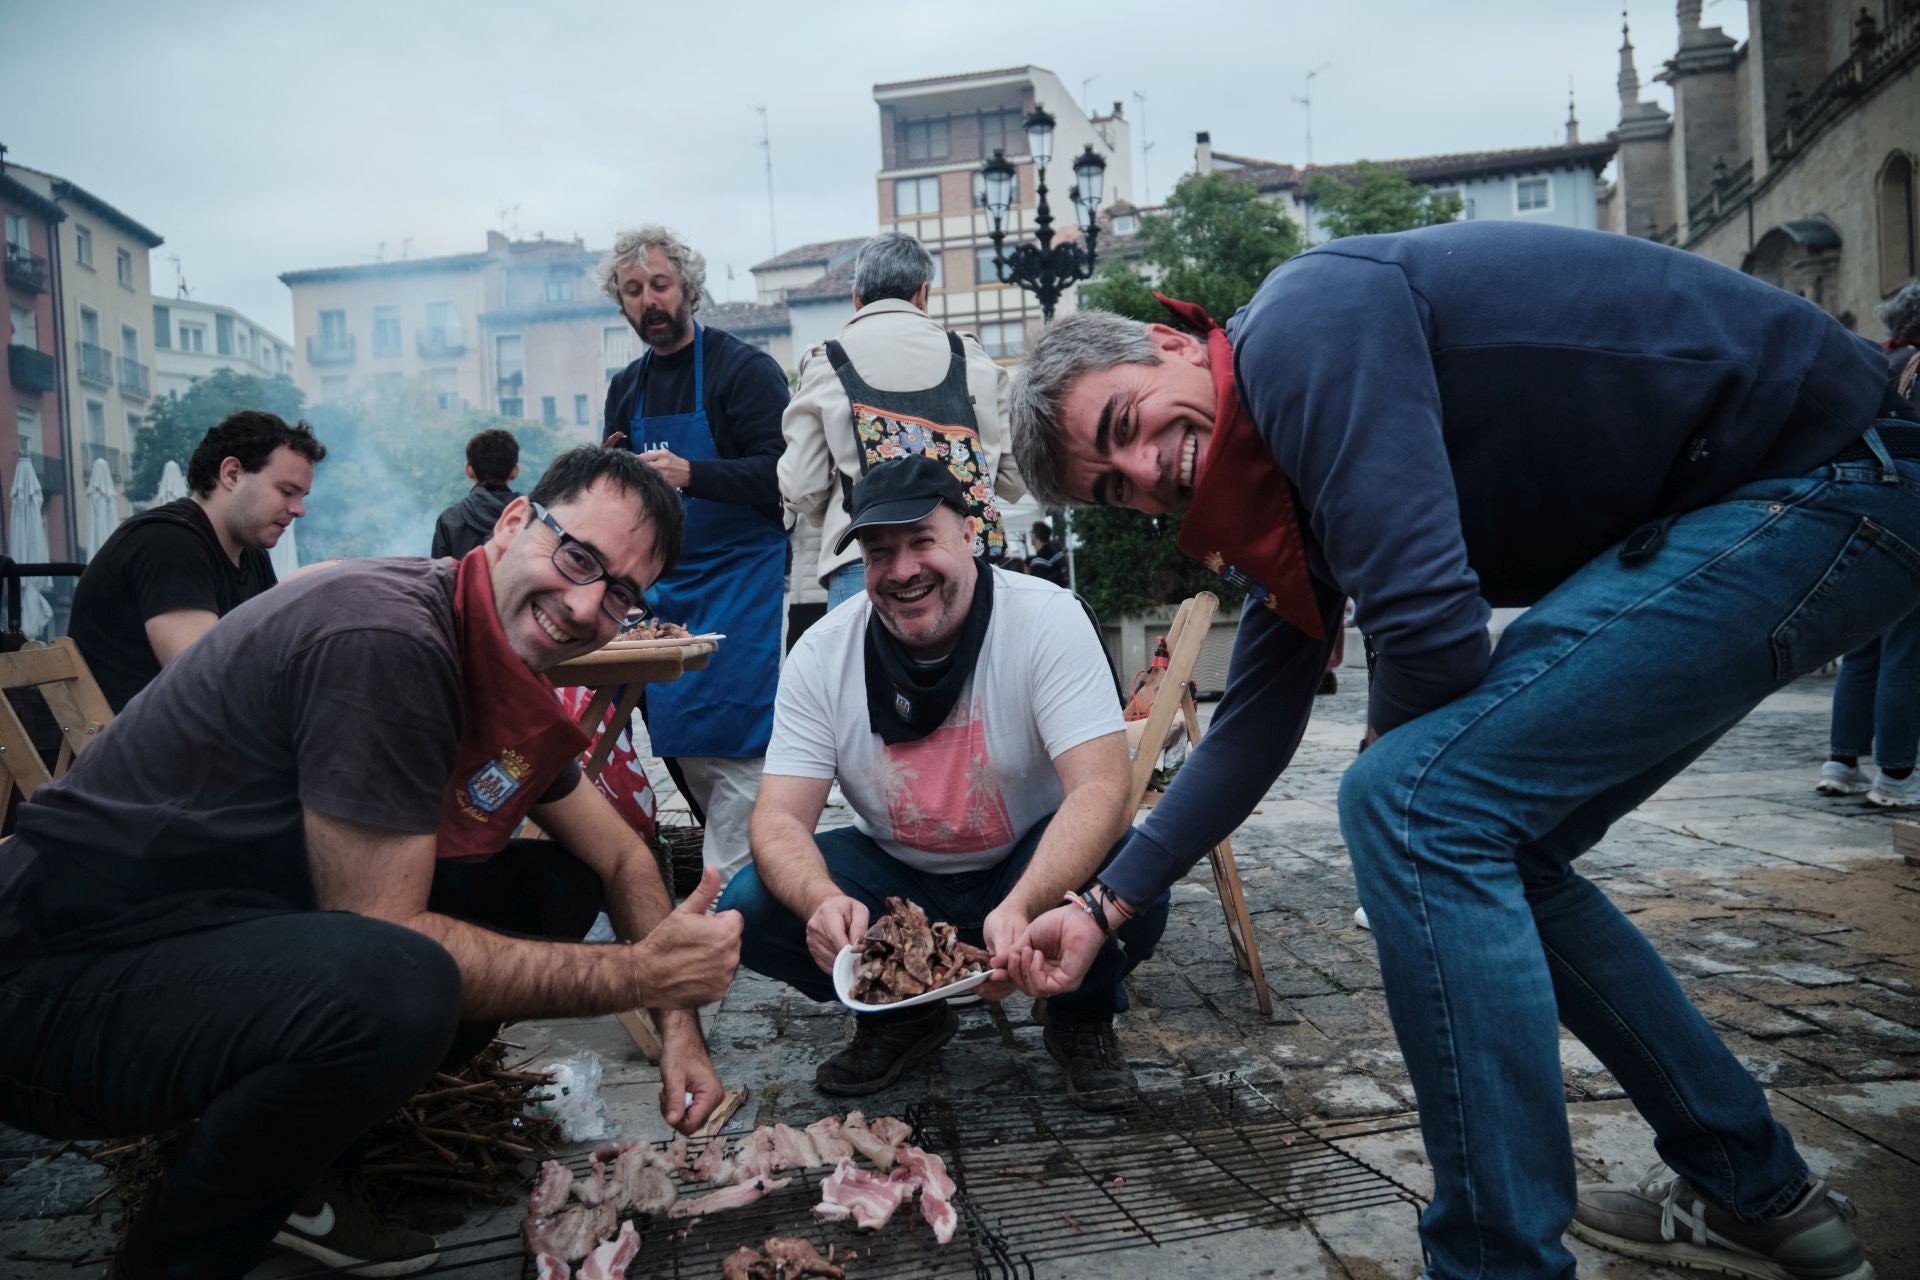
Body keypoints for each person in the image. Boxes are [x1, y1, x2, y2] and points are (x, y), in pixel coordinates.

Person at [1003, 222, 1908, 1280]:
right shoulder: (1274, 470)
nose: (1146, 471)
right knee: (1490, 837)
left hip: (1830, 472)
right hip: (1796, 500)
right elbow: (1253, 723)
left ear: (1166, 344)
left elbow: (1432, 631)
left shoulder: (1302, 330)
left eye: (1125, 425)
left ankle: (1493, 1263)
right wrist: (1101, 907)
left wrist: (1400, 781)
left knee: (1415, 801)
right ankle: (1755, 1190)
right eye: (1115, 487)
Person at [0, 447, 742, 1278]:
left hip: (206, 936)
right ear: (510, 523)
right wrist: (639, 974)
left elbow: (620, 854)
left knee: (550, 887)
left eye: (621, 595)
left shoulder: (483, 653)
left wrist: (680, 1027)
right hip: (54, 986)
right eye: (576, 558)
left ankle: (288, 1162)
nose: (583, 605)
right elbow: (387, 930)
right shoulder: (389, 639)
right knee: (399, 984)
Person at [716, 455, 1166, 1109]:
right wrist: (819, 899)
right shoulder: (822, 652)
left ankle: (1081, 1015)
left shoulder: (1046, 618)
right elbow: (778, 817)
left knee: (1133, 870)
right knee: (751, 903)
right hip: (896, 880)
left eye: (922, 541)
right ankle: (904, 1013)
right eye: (879, 552)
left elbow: (1102, 789)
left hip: (1028, 867)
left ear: (969, 535)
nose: (903, 571)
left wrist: (1023, 904)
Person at [601, 225, 789, 885]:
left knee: (738, 739)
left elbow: (782, 473)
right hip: (664, 591)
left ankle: (738, 889)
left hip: (741, 582)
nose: (649, 300)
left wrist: (691, 474)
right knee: (679, 737)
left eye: (660, 284)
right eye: (633, 290)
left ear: (687, 289)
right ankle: (740, 874)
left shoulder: (745, 370)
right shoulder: (626, 388)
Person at [779, 231, 1023, 609]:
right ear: (922, 294)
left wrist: (829, 508)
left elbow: (801, 486)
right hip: (966, 559)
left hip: (865, 559)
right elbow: (1014, 477)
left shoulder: (828, 362)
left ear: (856, 298)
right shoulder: (971, 358)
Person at [69, 411, 323, 712]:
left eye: (302, 496)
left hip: (185, 732)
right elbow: (203, 679)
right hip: (122, 736)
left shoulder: (251, 553)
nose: (299, 510)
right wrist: (294, 592)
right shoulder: (167, 541)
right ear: (231, 474)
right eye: (287, 491)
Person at [1817, 280, 1920, 809]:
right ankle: (1896, 775)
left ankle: (1843, 763)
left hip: (1860, 508)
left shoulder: (1875, 362)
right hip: (1909, 507)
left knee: (1863, 645)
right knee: (1908, 648)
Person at [432, 427, 520, 559]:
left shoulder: (449, 520)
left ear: (469, 470)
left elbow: (439, 570)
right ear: (515, 471)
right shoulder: (532, 517)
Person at [1027, 519, 1067, 586]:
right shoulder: (1056, 552)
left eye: (1031, 533)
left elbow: (1037, 585)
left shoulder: (1039, 561)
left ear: (1035, 535)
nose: (1030, 536)